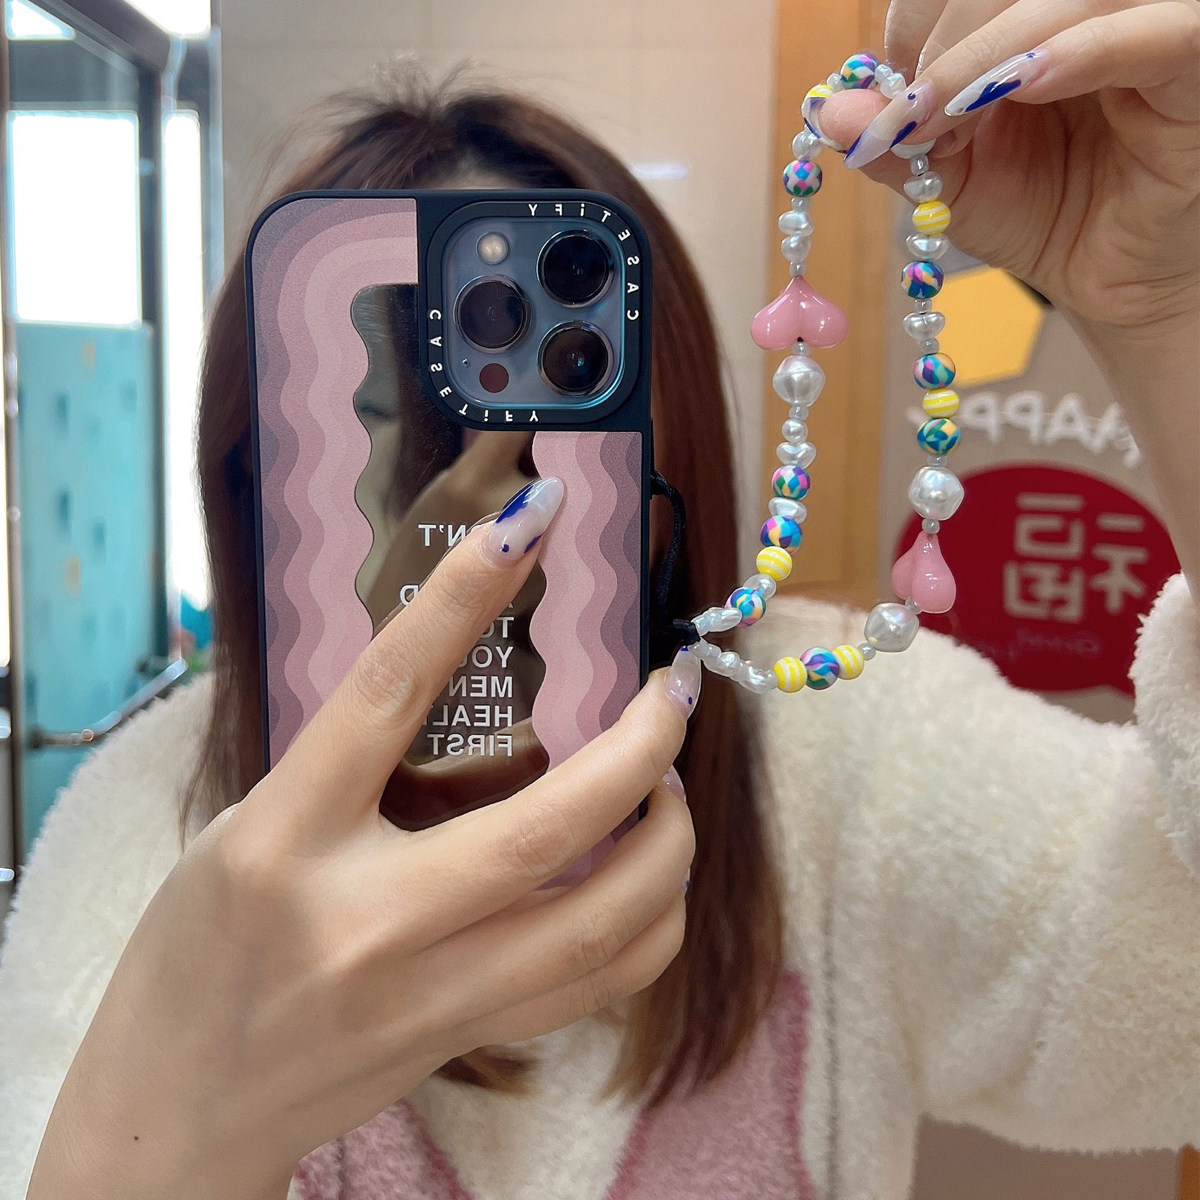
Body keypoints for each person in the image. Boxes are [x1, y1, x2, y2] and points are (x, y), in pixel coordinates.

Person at [2, 0, 1198, 1196]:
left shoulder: (849, 751)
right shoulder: (157, 830)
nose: (470, 506)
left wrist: (1168, 315)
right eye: (385, 428)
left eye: (562, 401)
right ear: (252, 477)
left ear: (666, 448)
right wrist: (156, 1138)